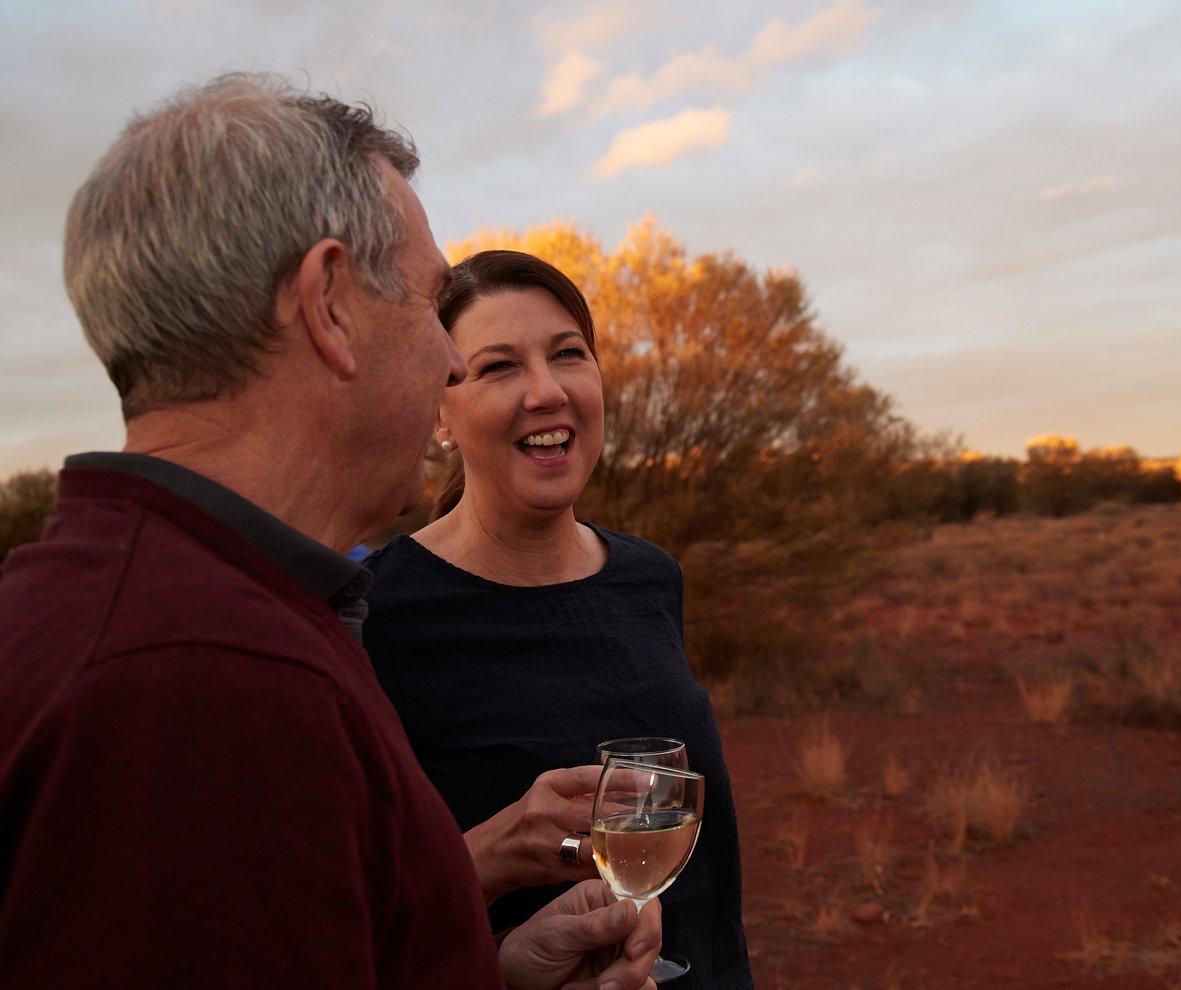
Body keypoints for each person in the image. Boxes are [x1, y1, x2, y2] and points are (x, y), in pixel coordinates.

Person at [0, 73, 659, 989]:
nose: (452, 357)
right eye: (432, 305)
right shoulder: (206, 686)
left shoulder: (115, 601)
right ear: (330, 304)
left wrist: (493, 973)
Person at [362, 250, 754, 987]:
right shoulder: (374, 616)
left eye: (568, 354)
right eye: (499, 367)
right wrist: (491, 857)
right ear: (440, 411)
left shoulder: (649, 578)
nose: (546, 391)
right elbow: (342, 916)